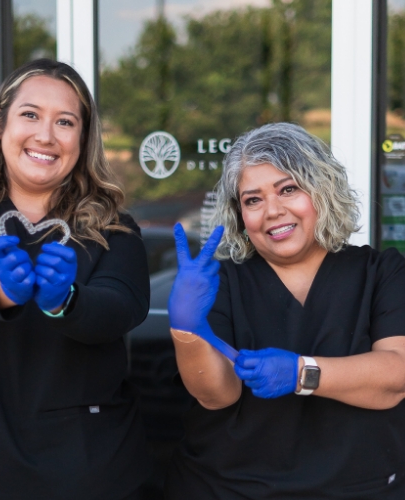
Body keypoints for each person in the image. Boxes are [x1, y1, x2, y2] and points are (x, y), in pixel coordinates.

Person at [0, 58, 151, 500]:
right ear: (0, 125)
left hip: (82, 472)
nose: (46, 135)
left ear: (83, 140)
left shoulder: (115, 229)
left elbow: (119, 307)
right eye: (30, 114)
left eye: (65, 122)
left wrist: (65, 301)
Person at [165, 122, 405, 499]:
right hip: (229, 489)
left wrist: (300, 372)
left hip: (360, 489)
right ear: (240, 216)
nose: (273, 211)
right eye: (253, 200)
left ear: (322, 191)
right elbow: (216, 394)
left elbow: (395, 376)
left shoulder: (382, 273)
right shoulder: (221, 282)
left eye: (288, 189)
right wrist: (186, 329)